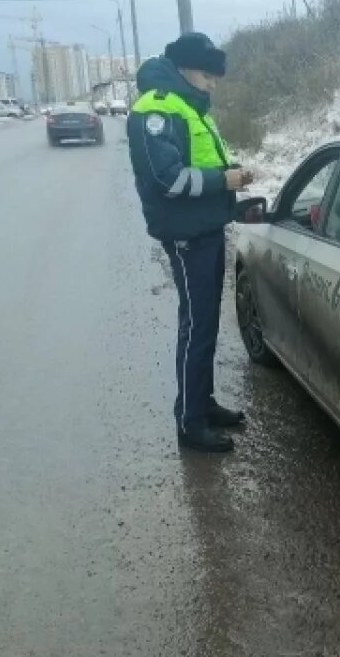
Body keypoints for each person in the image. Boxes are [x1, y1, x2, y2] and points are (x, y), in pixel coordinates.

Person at [127, 32, 251, 453]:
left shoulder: (189, 104)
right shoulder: (155, 109)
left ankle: (202, 402)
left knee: (207, 324)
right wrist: (225, 180)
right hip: (185, 234)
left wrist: (230, 174)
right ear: (183, 69)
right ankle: (189, 422)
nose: (212, 83)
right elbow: (168, 179)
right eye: (206, 75)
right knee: (196, 327)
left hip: (206, 227)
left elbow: (201, 162)